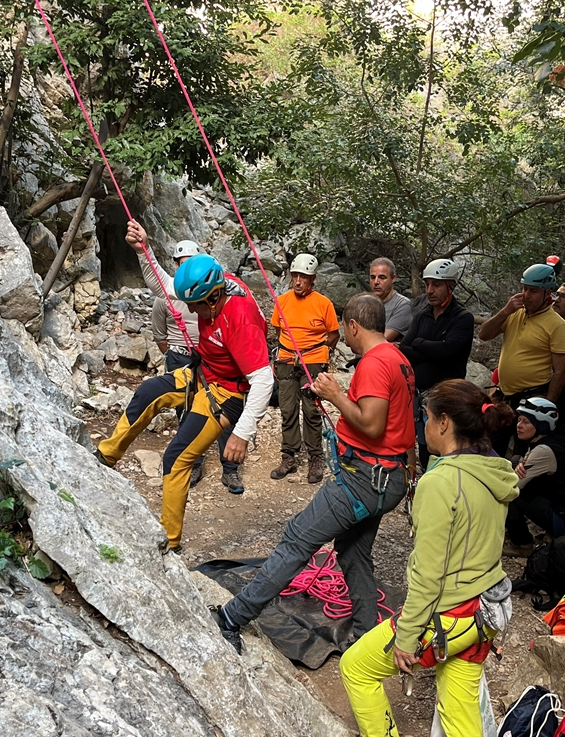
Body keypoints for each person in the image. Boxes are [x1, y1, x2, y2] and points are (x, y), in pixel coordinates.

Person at [338, 379, 517, 737]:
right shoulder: (495, 471)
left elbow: (427, 573)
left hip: (447, 618)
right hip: (484, 613)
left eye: (426, 418)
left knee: (357, 667)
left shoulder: (441, 482)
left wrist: (407, 635)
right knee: (460, 705)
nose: (423, 427)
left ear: (443, 423)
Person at [213, 293, 416, 650]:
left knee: (297, 539)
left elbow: (372, 425)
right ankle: (367, 637)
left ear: (353, 326)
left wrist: (336, 395)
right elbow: (399, 422)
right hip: (388, 477)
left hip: (364, 479)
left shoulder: (374, 363)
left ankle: (233, 617)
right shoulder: (398, 358)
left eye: (345, 330)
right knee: (353, 553)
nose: (343, 338)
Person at [95, 221, 272, 552]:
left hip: (226, 394)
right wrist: (144, 250)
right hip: (203, 374)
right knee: (148, 392)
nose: (190, 310)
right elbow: (167, 288)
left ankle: (171, 542)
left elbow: (263, 380)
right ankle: (106, 455)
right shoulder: (213, 286)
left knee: (176, 458)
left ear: (214, 297)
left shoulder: (240, 320)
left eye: (196, 306)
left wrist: (242, 433)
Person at [149, 239, 243, 493]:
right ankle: (193, 464)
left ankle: (230, 469)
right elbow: (159, 335)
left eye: (190, 262)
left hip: (210, 357)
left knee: (222, 410)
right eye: (182, 263)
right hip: (181, 357)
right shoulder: (165, 298)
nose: (186, 267)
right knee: (187, 412)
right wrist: (176, 355)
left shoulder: (210, 293)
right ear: (176, 265)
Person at [477, 263, 565, 457]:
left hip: (533, 397)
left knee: (523, 456)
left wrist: (547, 404)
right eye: (524, 289)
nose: (526, 295)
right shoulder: (514, 313)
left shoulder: (558, 326)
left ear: (547, 293)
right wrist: (505, 311)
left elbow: (561, 371)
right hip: (505, 396)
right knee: (490, 448)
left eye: (533, 291)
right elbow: (483, 334)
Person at [398, 259, 477, 467]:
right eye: (427, 284)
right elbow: (404, 349)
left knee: (445, 447)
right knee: (424, 445)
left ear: (450, 286)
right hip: (420, 393)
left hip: (447, 396)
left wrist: (419, 343)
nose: (430, 290)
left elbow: (448, 351)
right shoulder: (422, 316)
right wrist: (434, 349)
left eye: (436, 285)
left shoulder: (462, 318)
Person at [270, 254, 340, 485]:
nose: (298, 281)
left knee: (311, 410)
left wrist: (321, 354)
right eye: (295, 276)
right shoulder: (283, 301)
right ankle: (288, 456)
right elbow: (277, 330)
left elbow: (333, 334)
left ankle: (315, 457)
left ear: (313, 279)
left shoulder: (323, 304)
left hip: (313, 360)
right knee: (287, 408)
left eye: (304, 277)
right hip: (286, 359)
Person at [504, 398, 565, 556]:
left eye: (526, 422)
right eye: (519, 420)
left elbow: (512, 486)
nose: (519, 425)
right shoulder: (550, 440)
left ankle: (522, 545)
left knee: (511, 495)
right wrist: (519, 465)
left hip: (564, 520)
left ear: (541, 425)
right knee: (515, 462)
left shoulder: (543, 450)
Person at [368, 257, 413, 342]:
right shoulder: (365, 303)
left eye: (382, 277)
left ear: (393, 278)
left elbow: (381, 340)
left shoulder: (402, 305)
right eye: (373, 277)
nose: (376, 282)